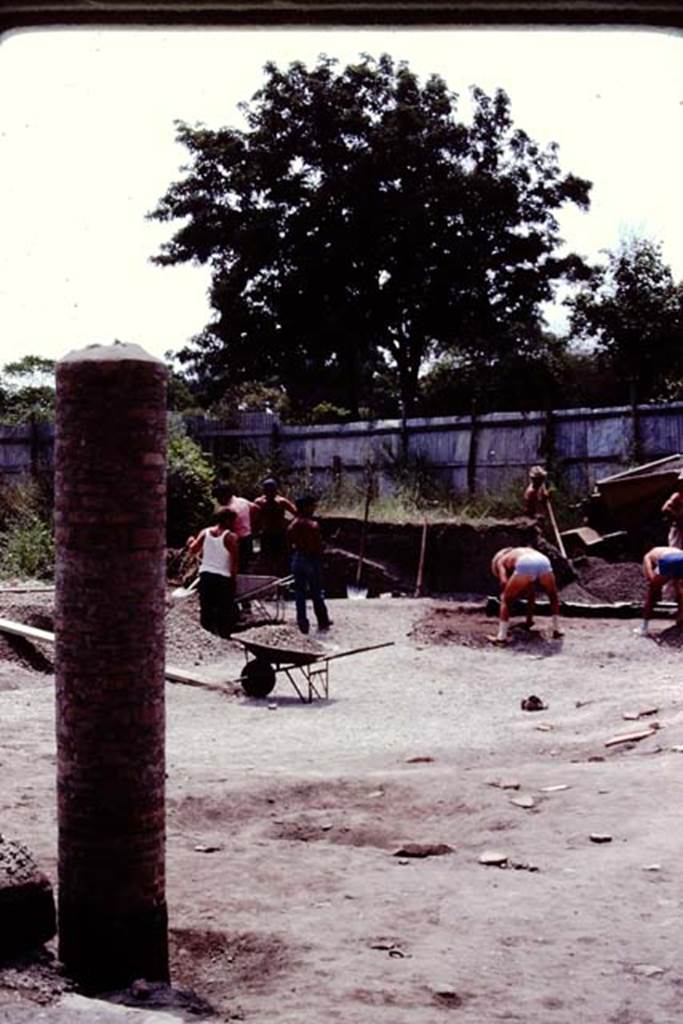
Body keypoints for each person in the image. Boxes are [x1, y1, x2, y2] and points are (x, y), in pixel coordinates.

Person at [491, 546, 563, 643]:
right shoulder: (522, 551)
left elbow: (504, 582)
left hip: (524, 563)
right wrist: (529, 621)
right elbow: (531, 594)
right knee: (552, 594)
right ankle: (557, 629)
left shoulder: (501, 560)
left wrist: (506, 592)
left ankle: (501, 637)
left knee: (506, 600)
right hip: (543, 560)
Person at [187, 506, 239, 638]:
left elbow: (193, 550)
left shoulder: (205, 532)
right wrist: (234, 579)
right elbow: (234, 562)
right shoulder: (231, 538)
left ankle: (207, 635)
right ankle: (224, 635)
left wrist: (191, 541)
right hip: (223, 577)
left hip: (206, 575)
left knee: (206, 608)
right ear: (228, 521)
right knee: (224, 609)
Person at [288, 494, 332, 634]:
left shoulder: (292, 525)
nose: (314, 509)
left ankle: (302, 622)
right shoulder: (312, 525)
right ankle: (322, 620)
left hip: (297, 558)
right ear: (306, 507)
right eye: (312, 506)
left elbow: (290, 543)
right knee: (316, 591)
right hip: (311, 559)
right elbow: (316, 546)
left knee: (300, 592)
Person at [212, 482, 259, 575]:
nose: (218, 501)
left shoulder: (229, 510)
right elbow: (256, 508)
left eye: (218, 497)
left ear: (225, 496)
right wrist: (251, 524)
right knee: (246, 567)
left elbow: (224, 529)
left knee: (235, 567)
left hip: (237, 541)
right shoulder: (242, 501)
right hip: (248, 537)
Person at [253, 477, 297, 575]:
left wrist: (289, 524)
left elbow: (296, 513)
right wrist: (256, 531)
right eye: (267, 490)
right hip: (266, 533)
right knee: (266, 558)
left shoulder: (281, 502)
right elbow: (254, 518)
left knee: (283, 557)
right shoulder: (259, 502)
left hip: (280, 533)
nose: (269, 492)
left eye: (271, 490)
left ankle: (282, 575)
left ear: (275, 490)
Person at [638, 545, 683, 636]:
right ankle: (680, 623)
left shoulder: (647, 556)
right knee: (681, 594)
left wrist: (656, 586)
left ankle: (644, 628)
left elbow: (650, 579)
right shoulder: (668, 550)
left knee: (652, 591)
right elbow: (675, 577)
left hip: (669, 560)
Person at [661, 473, 683, 549]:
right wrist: (678, 518)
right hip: (678, 529)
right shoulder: (677, 496)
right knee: (675, 551)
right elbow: (665, 508)